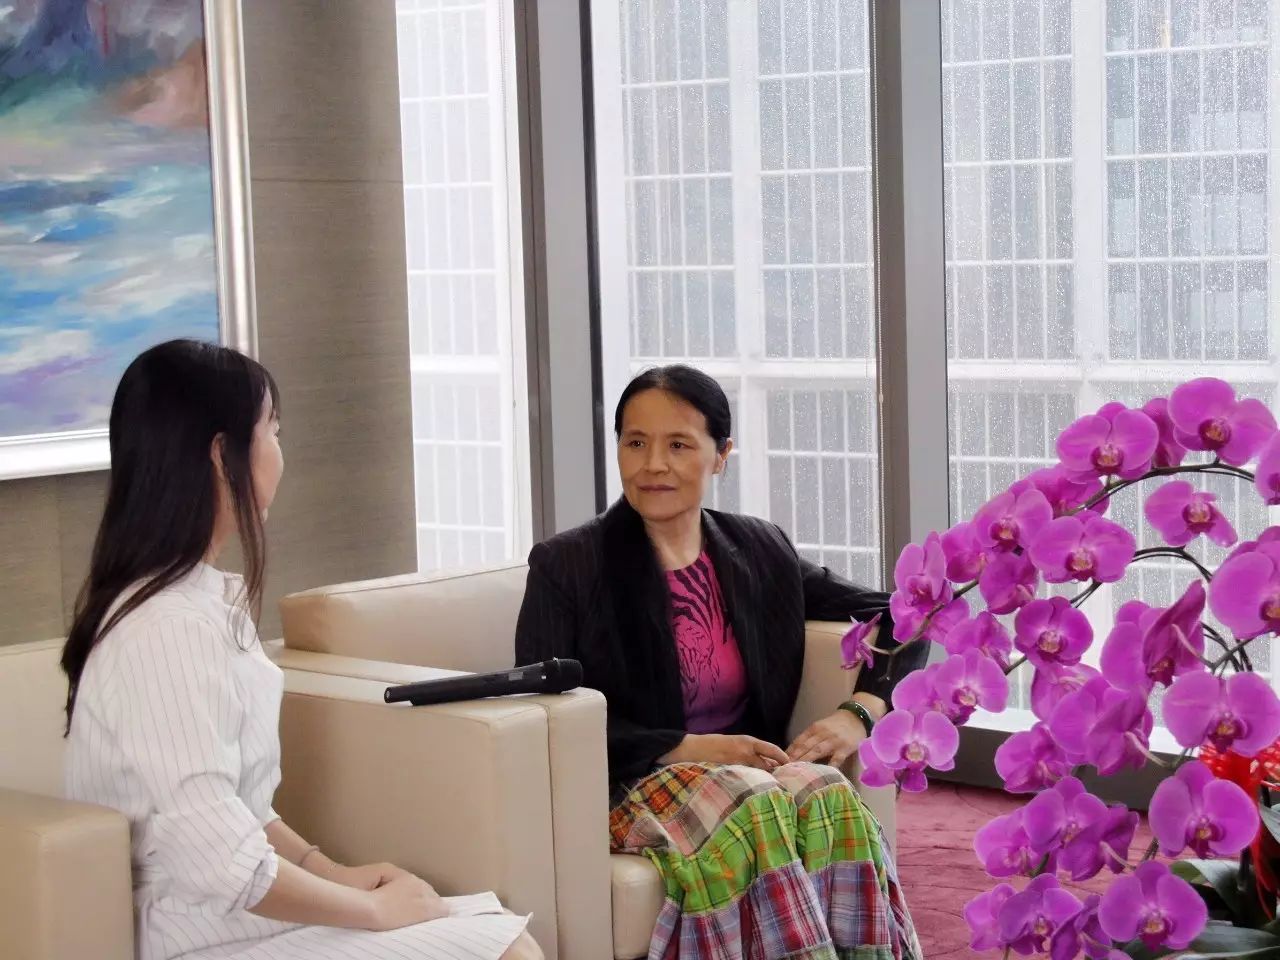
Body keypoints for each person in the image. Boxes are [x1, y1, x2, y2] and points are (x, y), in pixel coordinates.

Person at [61, 340, 541, 960]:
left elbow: (239, 810)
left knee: (496, 928)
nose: (280, 452)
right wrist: (370, 910)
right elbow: (218, 859)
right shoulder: (164, 629)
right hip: (194, 932)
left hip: (233, 915)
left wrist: (334, 872)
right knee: (505, 948)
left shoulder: (195, 604)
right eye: (273, 431)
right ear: (221, 454)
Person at [515, 365, 924, 960]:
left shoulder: (759, 549)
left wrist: (858, 711)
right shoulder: (568, 565)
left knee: (827, 790)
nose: (653, 464)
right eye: (636, 443)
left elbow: (909, 612)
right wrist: (690, 747)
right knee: (753, 801)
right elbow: (545, 715)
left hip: (743, 774)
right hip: (627, 781)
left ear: (721, 455)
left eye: (679, 445)